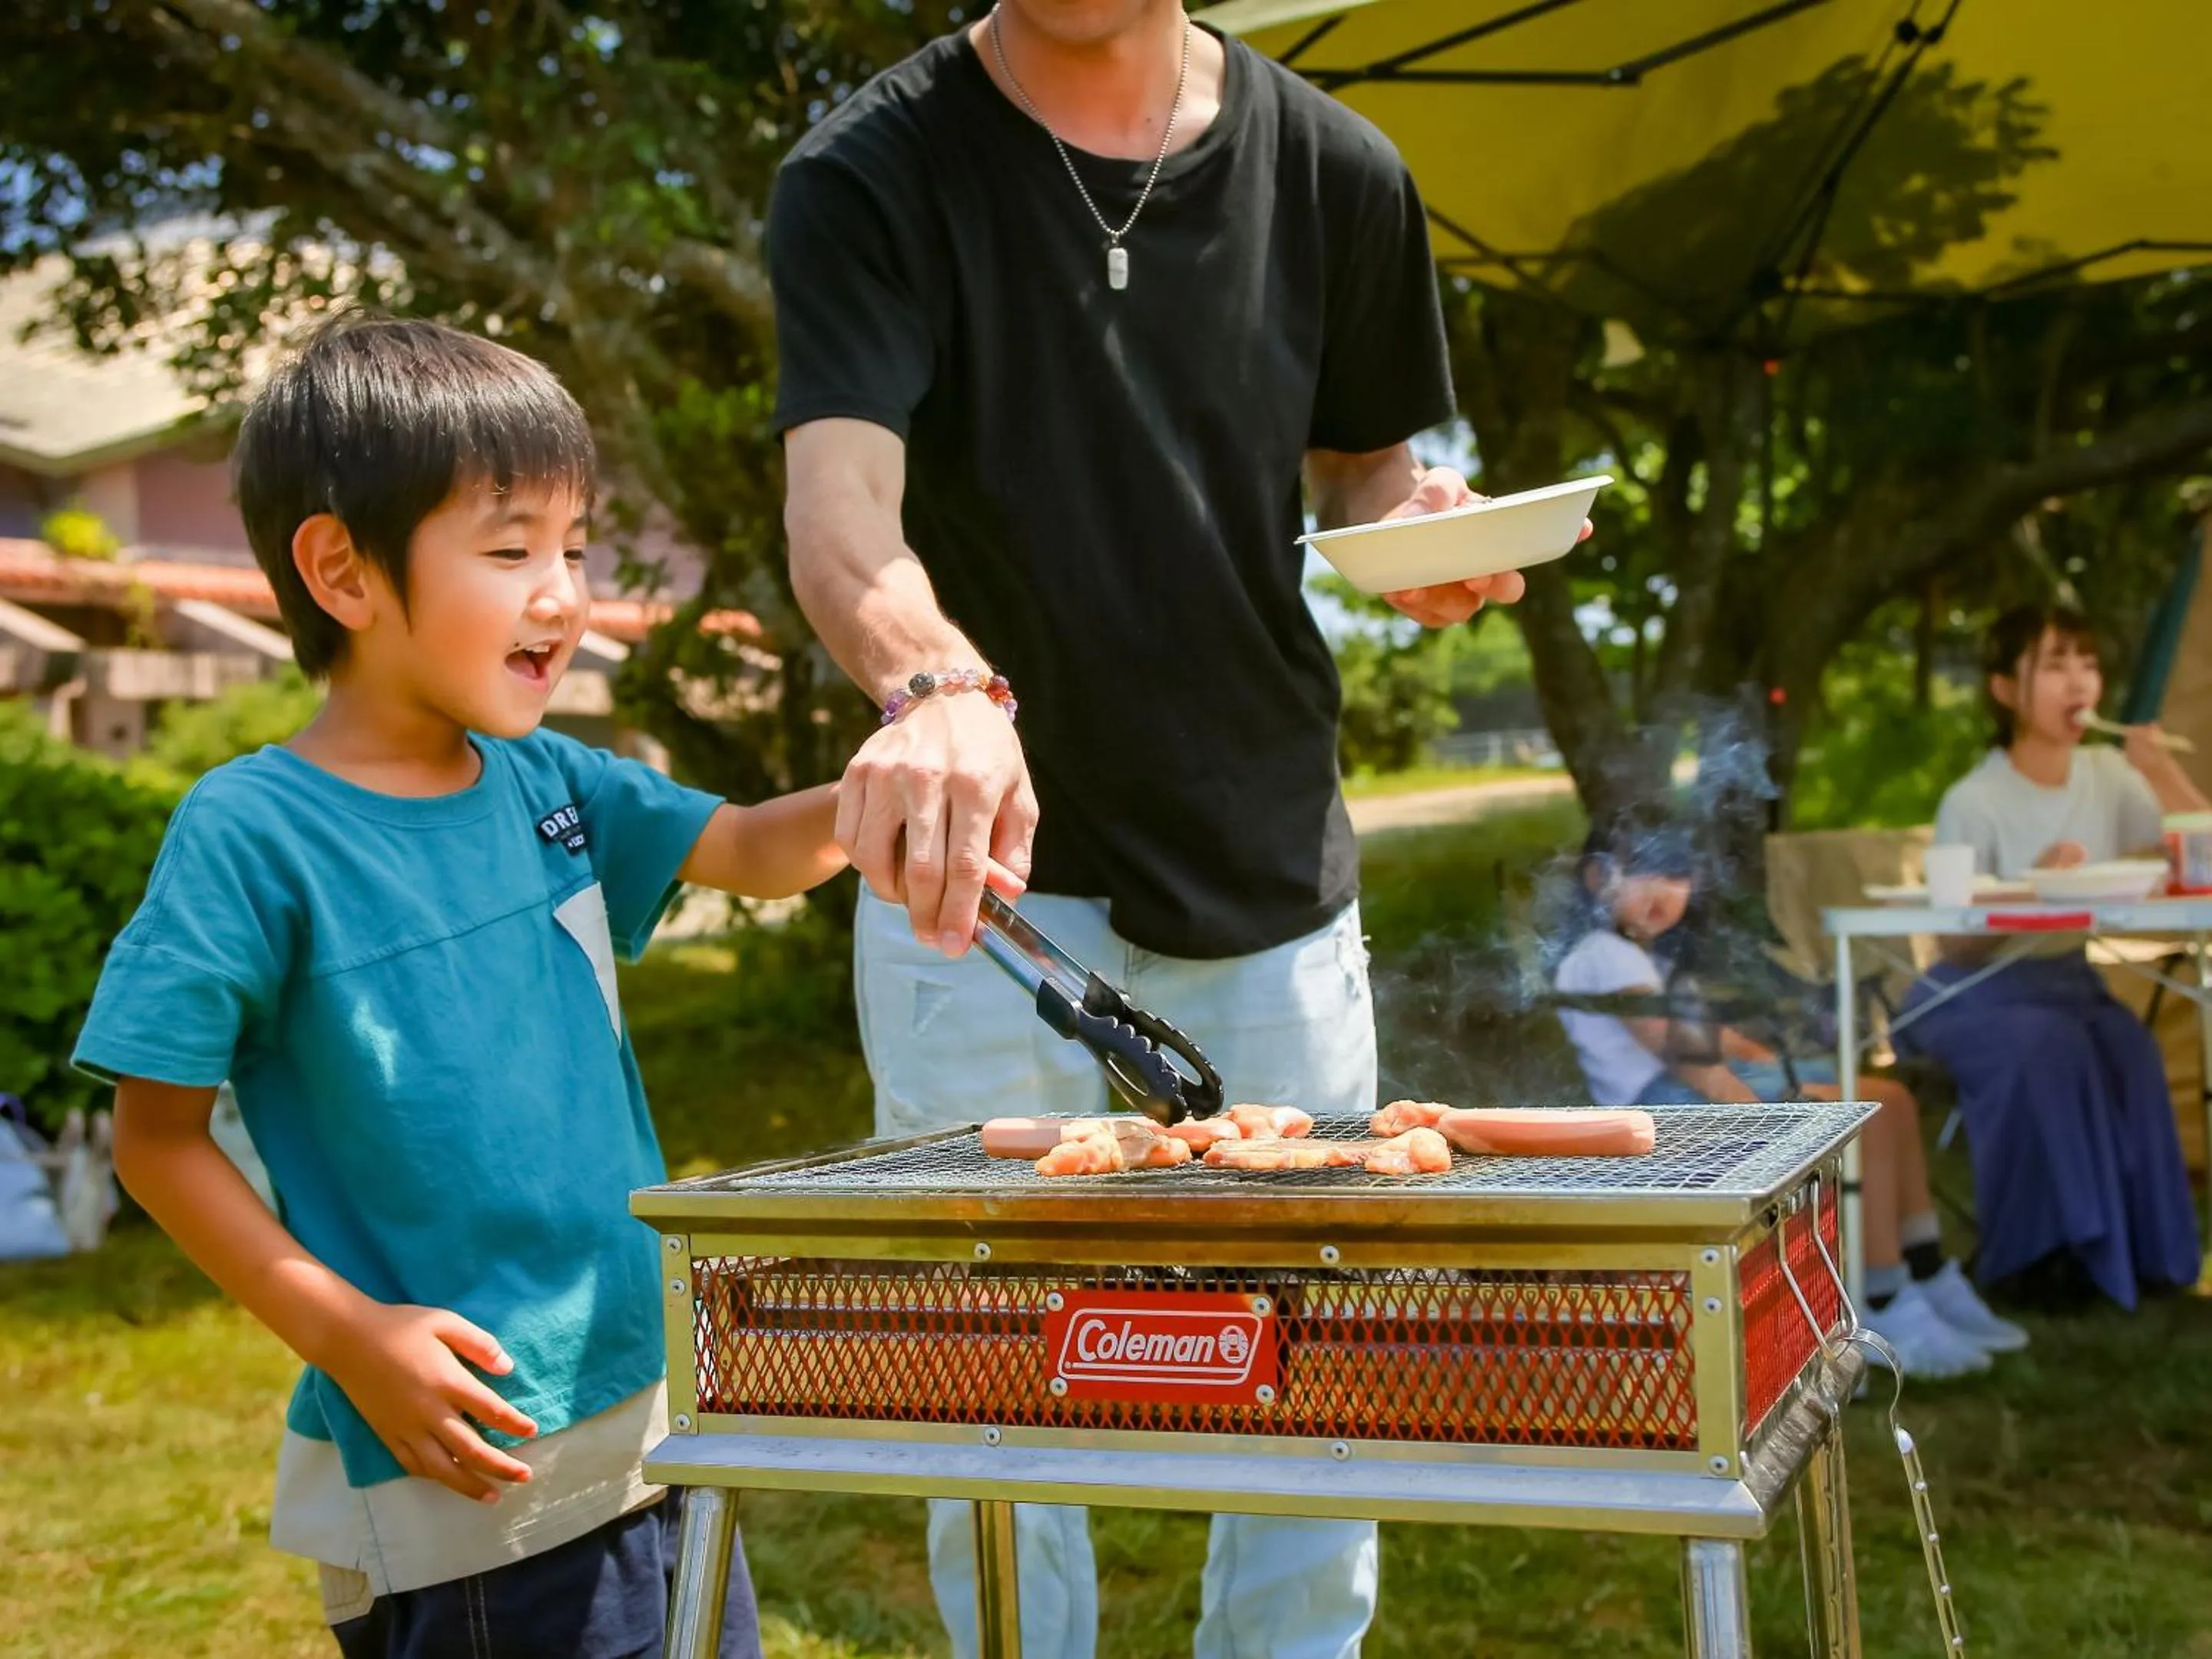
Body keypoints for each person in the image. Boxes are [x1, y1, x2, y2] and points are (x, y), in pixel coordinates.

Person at [765, 1, 1584, 1652]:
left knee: (1318, 1374)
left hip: (1263, 851)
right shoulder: (868, 170)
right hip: (981, 891)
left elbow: (1362, 469)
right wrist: (938, 686)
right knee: (988, 1397)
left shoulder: (1341, 170)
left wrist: (1416, 528)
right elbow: (841, 506)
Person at [73, 316, 850, 1657]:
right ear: (343, 571)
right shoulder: (254, 834)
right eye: (510, 551)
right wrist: (351, 1335)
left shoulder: (555, 782)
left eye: (574, 548)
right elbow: (155, 1139)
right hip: (475, 1483)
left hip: (660, 1413)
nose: (563, 595)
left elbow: (756, 850)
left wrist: (901, 780)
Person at [1551, 824, 2025, 1377]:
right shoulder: (1604, 955)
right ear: (1598, 878)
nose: (1662, 890)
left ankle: (1928, 1270)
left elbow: (1699, 1036)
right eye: (1643, 873)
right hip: (1672, 1110)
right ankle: (1885, 1297)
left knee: (1893, 1098)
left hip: (1695, 1090)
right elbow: (1680, 1050)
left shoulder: (1634, 955)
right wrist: (1755, 1108)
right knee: (1866, 1116)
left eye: (1676, 875)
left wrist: (1755, 1054)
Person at [1899, 602, 2206, 1310]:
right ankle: (2039, 1261)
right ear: (2006, 688)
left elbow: (2202, 851)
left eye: (2087, 663)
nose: (2079, 682)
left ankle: (2147, 1259)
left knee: (2131, 1047)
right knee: (2048, 1046)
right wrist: (2029, 886)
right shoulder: (1974, 799)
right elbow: (1956, 943)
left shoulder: (2111, 774)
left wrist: (2162, 773)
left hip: (2071, 984)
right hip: (1969, 992)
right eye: (2055, 664)